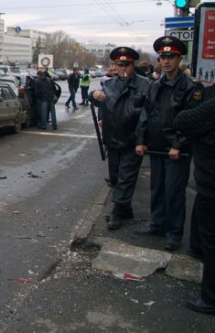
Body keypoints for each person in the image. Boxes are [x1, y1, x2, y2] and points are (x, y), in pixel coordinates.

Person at [135, 36, 205, 251]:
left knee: (174, 192)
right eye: (163, 57)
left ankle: (174, 233)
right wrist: (141, 141)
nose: (166, 62)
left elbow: (192, 119)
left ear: (179, 59)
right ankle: (157, 224)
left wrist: (179, 144)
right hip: (157, 146)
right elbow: (146, 114)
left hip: (176, 151)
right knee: (157, 189)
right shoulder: (156, 85)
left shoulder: (190, 87)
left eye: (171, 57)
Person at [90, 46, 150, 230]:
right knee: (115, 177)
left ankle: (117, 211)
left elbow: (146, 116)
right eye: (120, 64)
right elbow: (100, 104)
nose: (123, 68)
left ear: (133, 65)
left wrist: (141, 141)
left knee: (126, 177)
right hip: (113, 139)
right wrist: (93, 96)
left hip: (132, 140)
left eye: (127, 65)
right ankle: (126, 209)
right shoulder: (109, 85)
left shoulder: (145, 85)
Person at [174, 89, 215, 315]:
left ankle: (210, 298)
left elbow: (183, 120)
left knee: (212, 238)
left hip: (211, 183)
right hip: (208, 184)